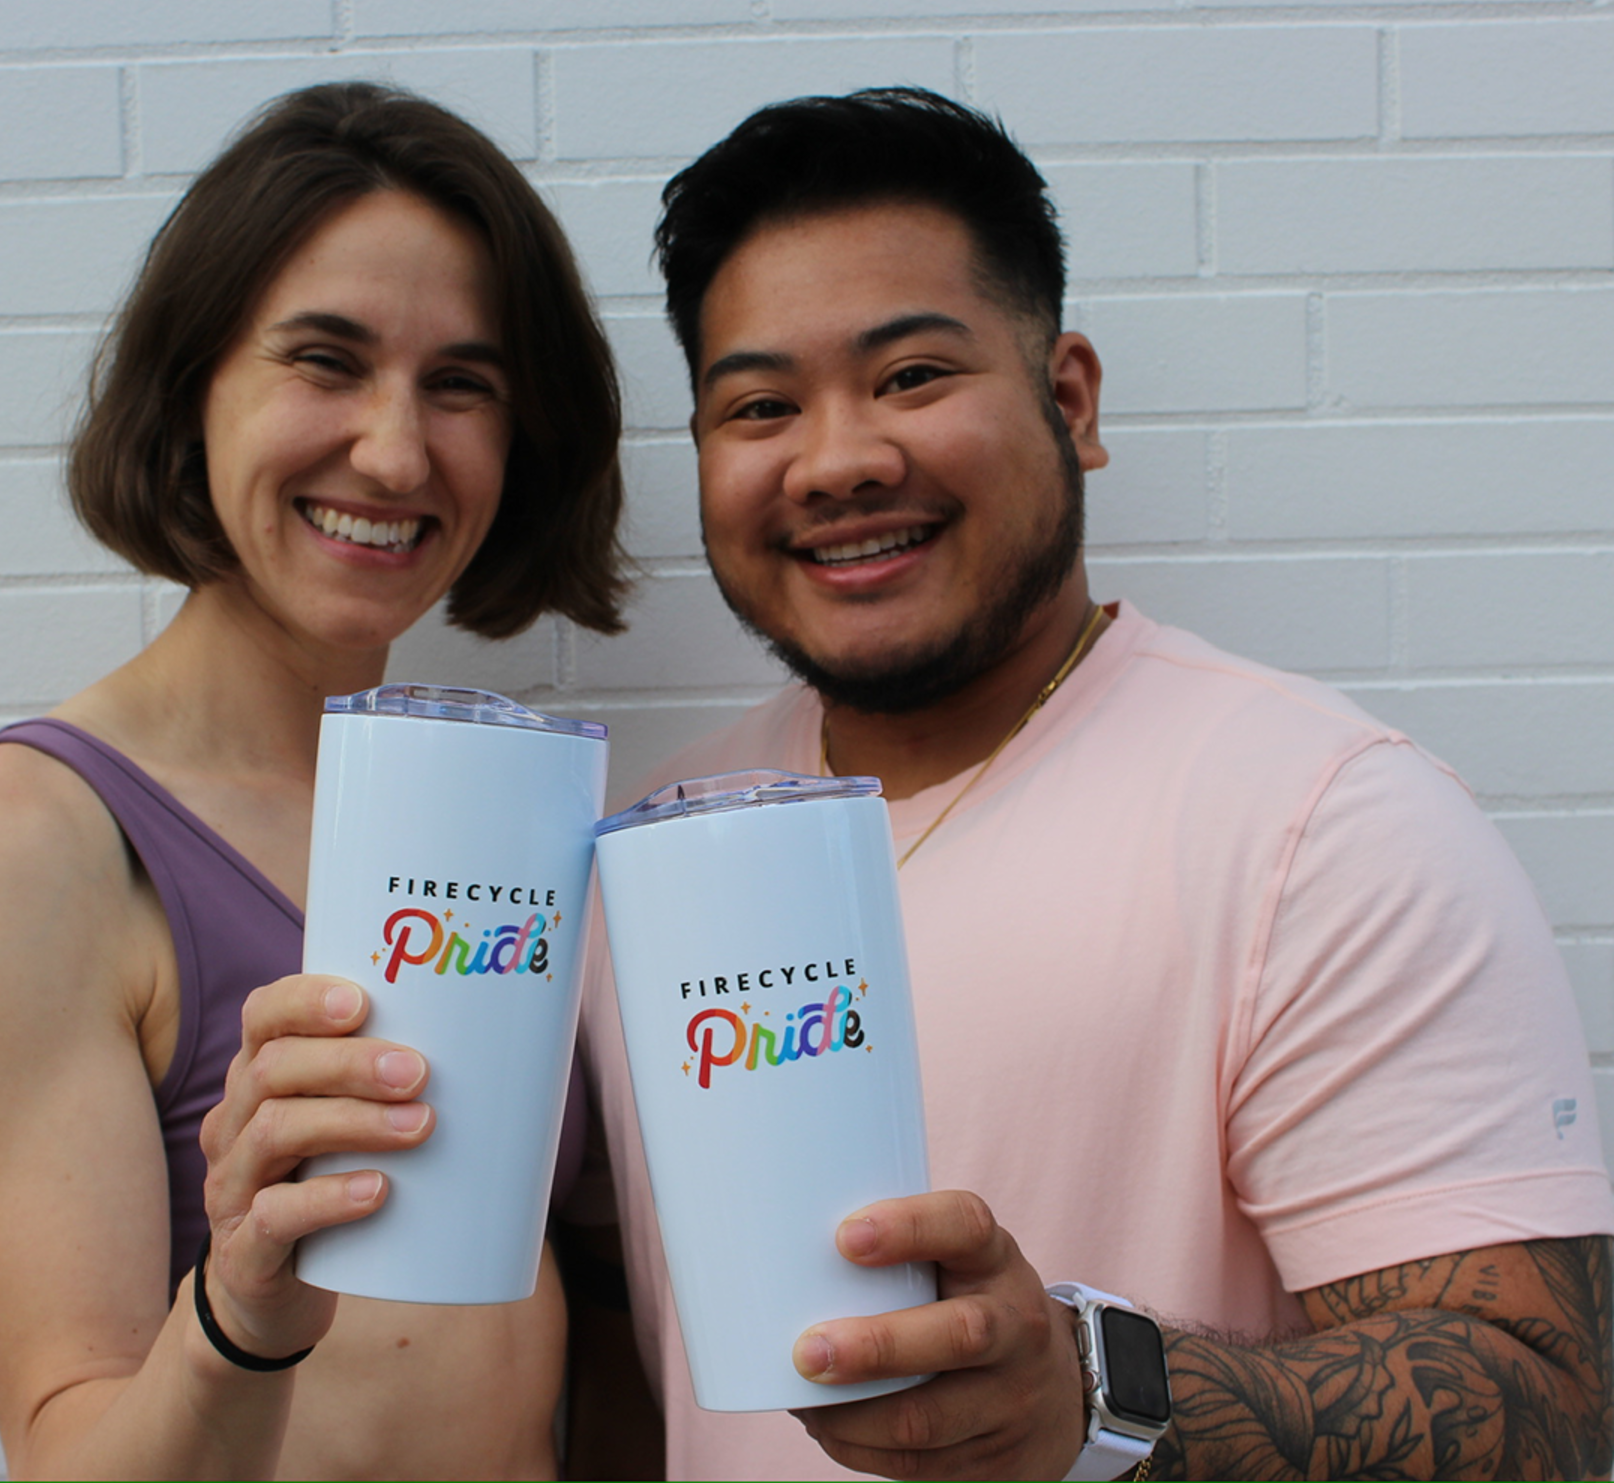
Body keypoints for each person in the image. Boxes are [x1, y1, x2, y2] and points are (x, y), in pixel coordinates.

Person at [576, 87, 1614, 1481]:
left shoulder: (1316, 819)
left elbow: (1548, 1401)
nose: (839, 460)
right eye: (762, 405)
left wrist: (1092, 1404)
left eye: (912, 378)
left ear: (1071, 400)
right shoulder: (655, 849)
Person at [0, 82, 629, 1480]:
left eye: (462, 384)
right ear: (194, 386)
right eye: (325, 362)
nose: (397, 451)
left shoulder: (502, 816)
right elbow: (66, 1458)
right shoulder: (20, 849)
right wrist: (239, 1312)